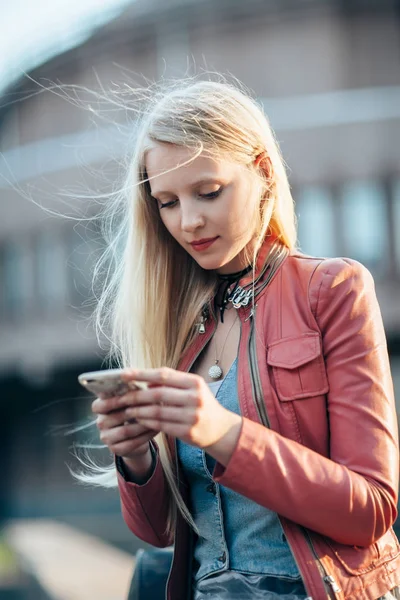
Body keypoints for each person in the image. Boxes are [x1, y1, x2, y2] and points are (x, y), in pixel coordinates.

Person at [85, 79, 400, 599]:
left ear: (263, 171)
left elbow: (371, 507)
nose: (188, 221)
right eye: (166, 202)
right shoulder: (178, 325)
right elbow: (161, 531)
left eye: (208, 192)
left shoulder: (334, 289)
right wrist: (137, 455)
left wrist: (222, 432)